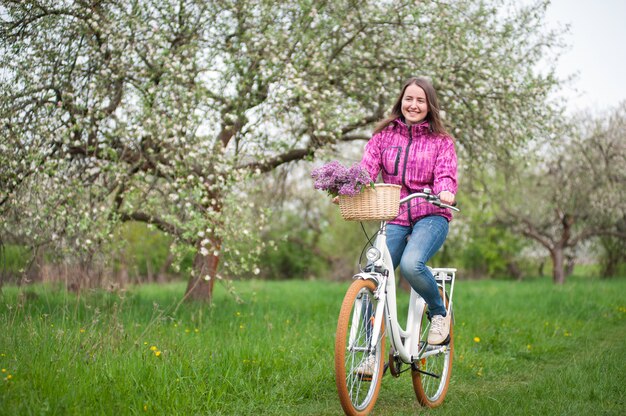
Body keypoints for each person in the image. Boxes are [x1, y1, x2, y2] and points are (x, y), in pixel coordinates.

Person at [360, 76, 458, 347]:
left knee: (412, 265)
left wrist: (445, 190)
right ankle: (370, 350)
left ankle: (439, 313)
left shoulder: (442, 141)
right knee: (374, 273)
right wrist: (350, 188)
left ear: (429, 105)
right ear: (400, 101)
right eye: (408, 99)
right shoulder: (383, 136)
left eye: (420, 100)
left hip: (431, 214)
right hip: (395, 214)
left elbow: (445, 174)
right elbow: (366, 170)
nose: (413, 105)